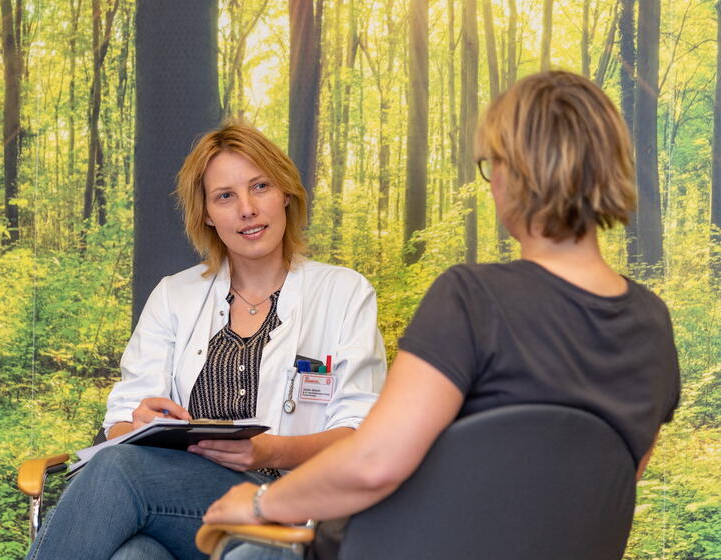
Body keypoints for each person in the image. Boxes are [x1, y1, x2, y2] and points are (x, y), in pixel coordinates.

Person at [204, 71, 681, 542]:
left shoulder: (474, 299)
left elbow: (374, 463)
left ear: (514, 176)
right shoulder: (653, 323)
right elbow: (611, 481)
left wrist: (260, 503)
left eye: (493, 165)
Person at [25, 122, 386, 560]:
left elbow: (361, 438)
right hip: (182, 504)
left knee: (123, 480)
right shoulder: (174, 295)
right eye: (225, 196)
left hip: (295, 506)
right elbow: (119, 423)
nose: (247, 209)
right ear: (208, 215)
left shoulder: (344, 292)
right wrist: (138, 424)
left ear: (286, 194)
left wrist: (269, 451)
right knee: (133, 555)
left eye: (260, 186)